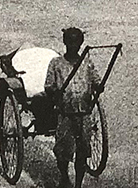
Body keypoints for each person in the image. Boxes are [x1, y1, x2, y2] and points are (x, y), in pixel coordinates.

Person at [44, 27, 101, 188]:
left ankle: (78, 184)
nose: (73, 45)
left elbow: (96, 80)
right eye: (70, 41)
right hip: (65, 114)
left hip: (84, 113)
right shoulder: (56, 64)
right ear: (64, 42)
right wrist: (56, 92)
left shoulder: (87, 62)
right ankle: (64, 176)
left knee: (82, 150)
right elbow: (48, 86)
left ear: (81, 43)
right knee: (63, 151)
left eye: (76, 42)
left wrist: (98, 86)